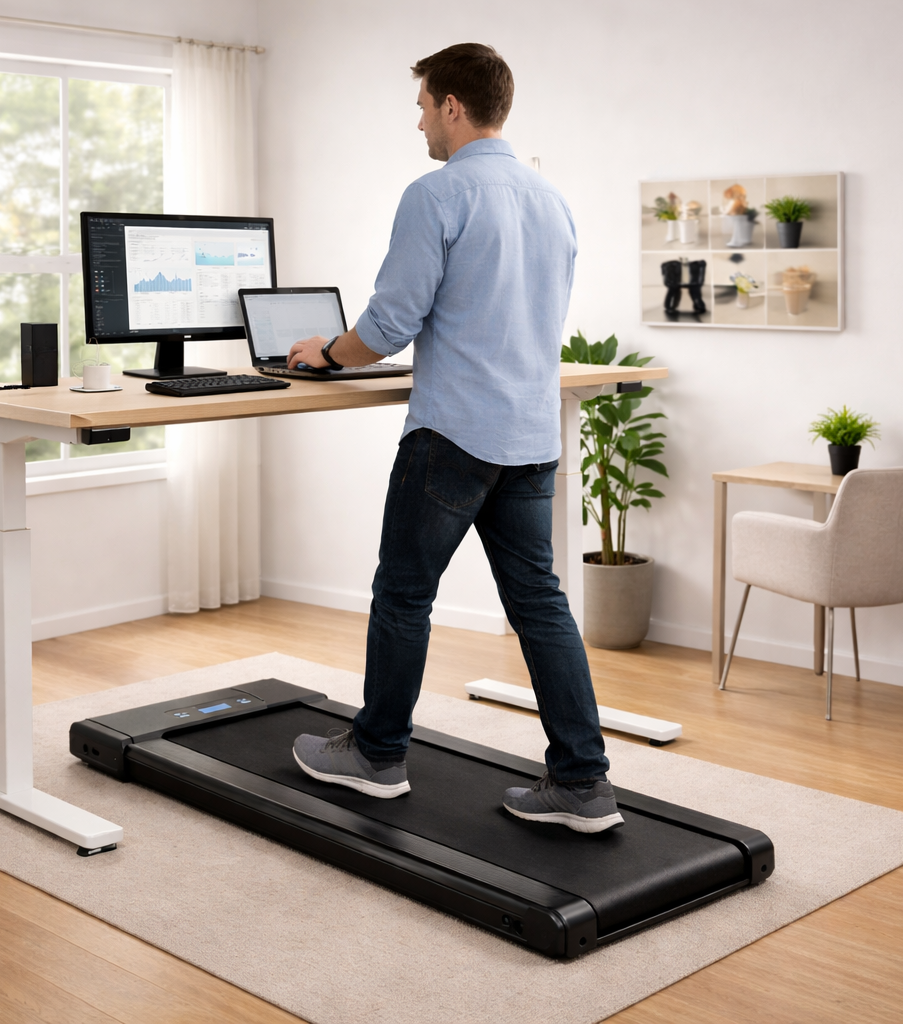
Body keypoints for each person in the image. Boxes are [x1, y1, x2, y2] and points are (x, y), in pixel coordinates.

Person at [286, 43, 622, 834]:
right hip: (530, 436)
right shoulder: (551, 199)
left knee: (404, 592)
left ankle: (376, 756)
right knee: (540, 604)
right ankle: (583, 783)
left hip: (455, 434)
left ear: (452, 106)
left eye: (422, 107)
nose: (419, 123)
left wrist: (323, 352)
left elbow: (392, 323)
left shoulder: (437, 193)